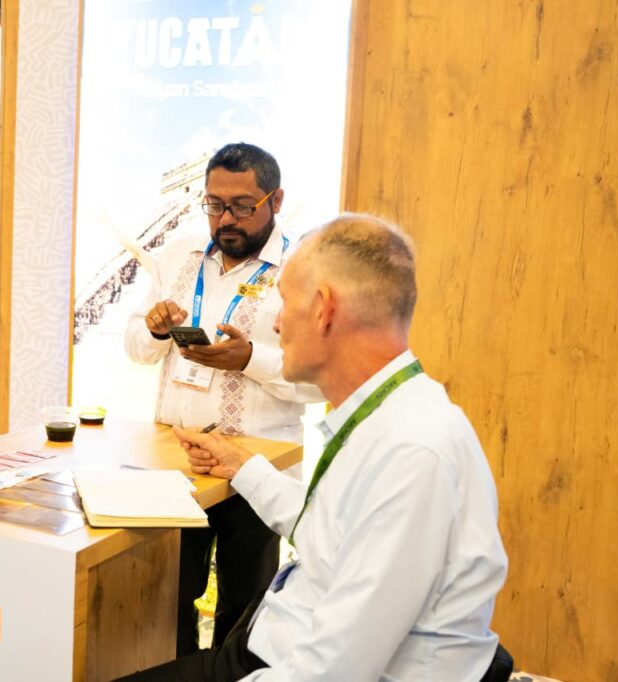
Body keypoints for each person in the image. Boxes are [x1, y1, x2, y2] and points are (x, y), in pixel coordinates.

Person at [121, 213, 509, 681]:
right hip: (272, 639)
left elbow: (334, 670)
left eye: (285, 303)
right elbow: (329, 533)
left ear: (324, 309)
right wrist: (243, 466)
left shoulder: (412, 453)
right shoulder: (388, 416)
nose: (277, 324)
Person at [125, 143, 320, 656]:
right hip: (176, 462)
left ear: (276, 200)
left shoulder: (302, 267)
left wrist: (250, 358)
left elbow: (321, 382)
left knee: (246, 610)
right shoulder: (180, 255)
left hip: (260, 468)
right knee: (168, 600)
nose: (226, 219)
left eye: (242, 206)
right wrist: (155, 330)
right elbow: (137, 348)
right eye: (214, 204)